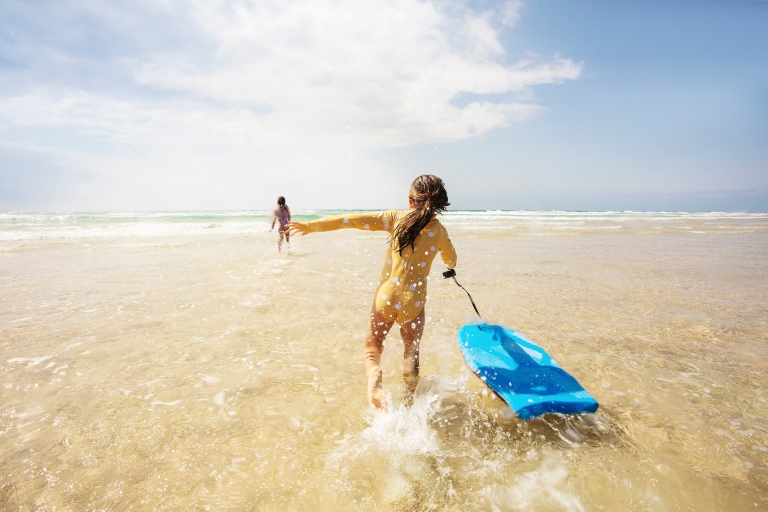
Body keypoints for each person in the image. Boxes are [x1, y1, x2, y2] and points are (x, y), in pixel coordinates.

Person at [287, 175, 457, 411]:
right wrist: (450, 267)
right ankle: (409, 402)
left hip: (386, 297)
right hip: (413, 303)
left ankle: (374, 382)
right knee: (411, 353)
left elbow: (350, 220)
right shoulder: (440, 232)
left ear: (410, 201)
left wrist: (309, 226)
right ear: (440, 204)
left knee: (372, 347)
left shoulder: (394, 218)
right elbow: (451, 258)